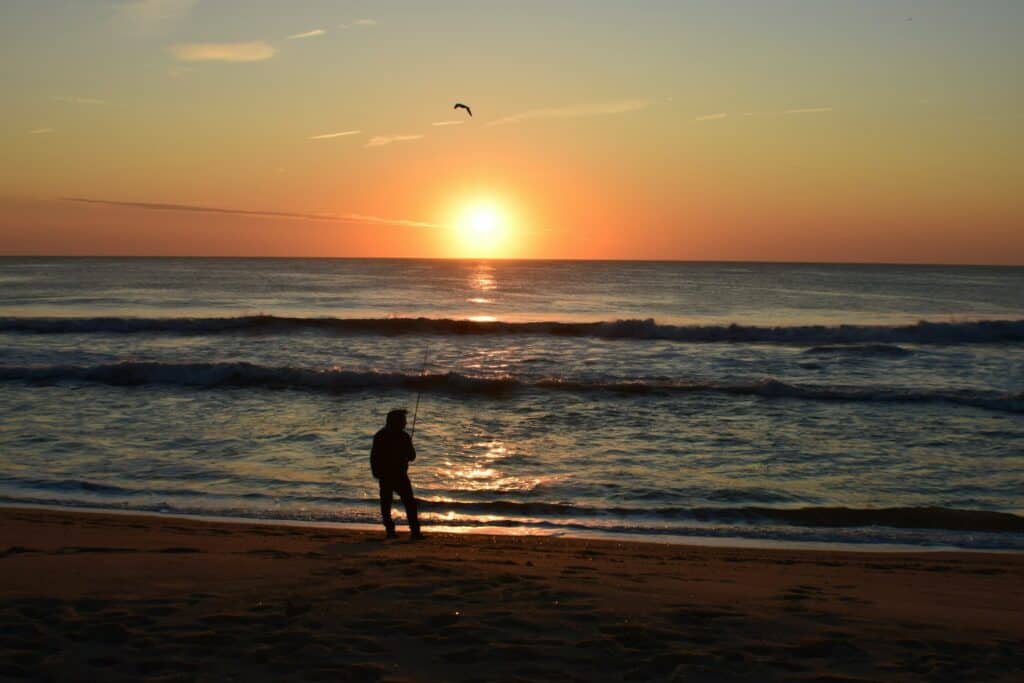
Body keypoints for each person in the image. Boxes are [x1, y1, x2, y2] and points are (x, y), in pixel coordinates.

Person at [370, 409, 423, 539]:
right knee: (409, 502)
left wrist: (375, 472)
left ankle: (390, 530)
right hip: (398, 474)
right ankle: (415, 531)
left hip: (385, 474)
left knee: (386, 502)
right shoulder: (403, 437)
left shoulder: (380, 435)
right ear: (397, 422)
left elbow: (374, 457)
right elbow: (412, 456)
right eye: (403, 420)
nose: (405, 423)